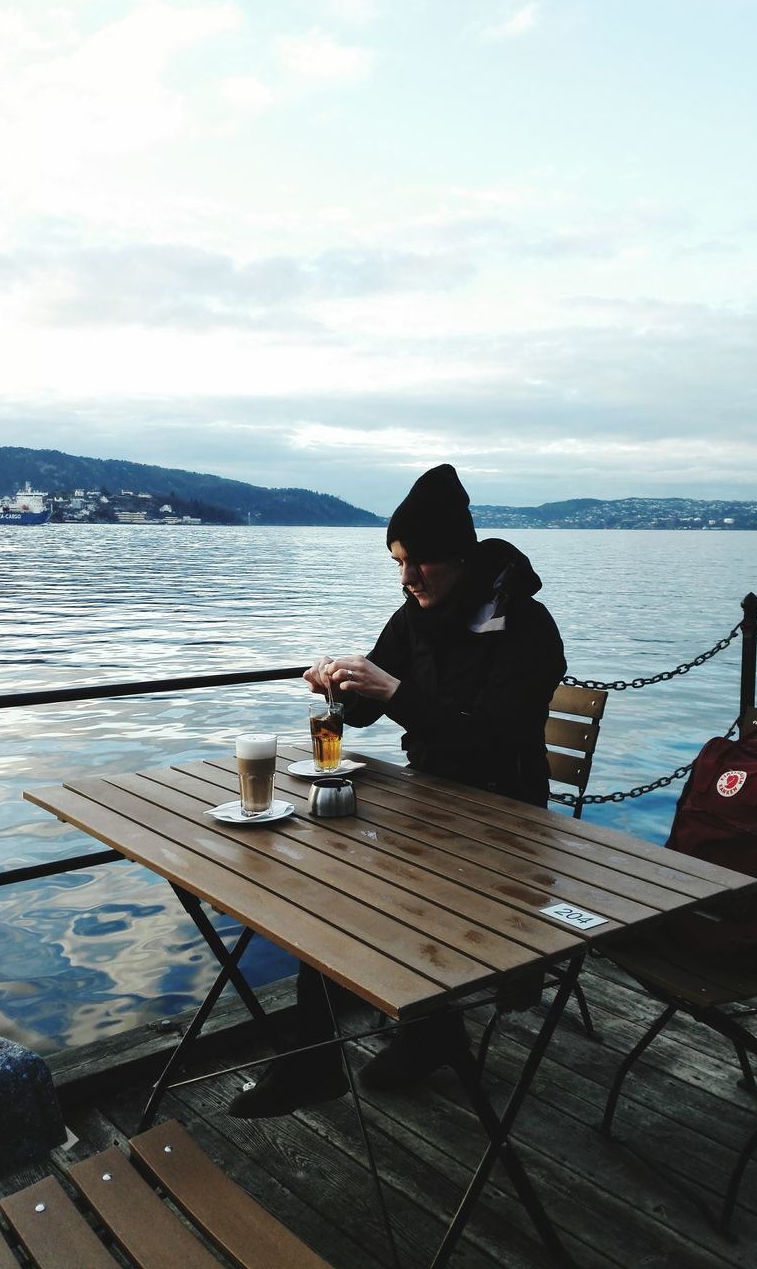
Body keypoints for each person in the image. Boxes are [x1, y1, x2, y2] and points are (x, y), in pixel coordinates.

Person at [228, 464, 567, 1118]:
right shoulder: (414, 618)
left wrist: (399, 694)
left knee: (346, 892)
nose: (407, 579)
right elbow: (364, 715)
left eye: (419, 564)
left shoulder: (527, 627)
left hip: (507, 823)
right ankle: (401, 1040)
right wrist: (339, 685)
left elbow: (494, 738)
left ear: (460, 558)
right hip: (430, 806)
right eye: (398, 563)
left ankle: (340, 1056)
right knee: (327, 876)